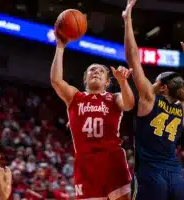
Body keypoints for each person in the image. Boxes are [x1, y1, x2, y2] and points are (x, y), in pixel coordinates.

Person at [122, 0, 184, 199]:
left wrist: (127, 21)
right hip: (175, 175)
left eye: (155, 81)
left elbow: (133, 58)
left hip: (151, 174)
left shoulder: (150, 99)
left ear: (163, 87)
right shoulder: (180, 109)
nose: (151, 82)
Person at [50, 33, 135, 199]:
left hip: (112, 158)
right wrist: (60, 48)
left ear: (107, 82)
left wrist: (124, 82)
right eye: (92, 70)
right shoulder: (75, 97)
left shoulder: (114, 97)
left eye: (101, 71)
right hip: (85, 162)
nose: (96, 72)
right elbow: (56, 81)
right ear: (85, 79)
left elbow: (129, 104)